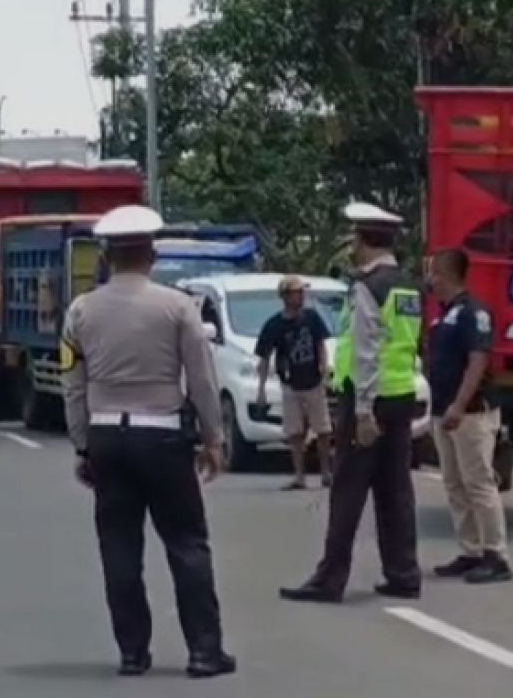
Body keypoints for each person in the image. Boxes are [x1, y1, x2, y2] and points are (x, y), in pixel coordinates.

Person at [61, 205, 237, 679]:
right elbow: (201, 379)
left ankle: (133, 653)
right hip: (161, 436)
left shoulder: (79, 311)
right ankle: (204, 651)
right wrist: (213, 439)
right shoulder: (177, 306)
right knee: (186, 544)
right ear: (151, 254)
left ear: (108, 256)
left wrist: (81, 443)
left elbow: (72, 382)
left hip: (105, 436)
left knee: (119, 547)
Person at [279, 201, 423, 603]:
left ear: (362, 242)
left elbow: (365, 350)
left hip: (369, 399)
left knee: (348, 490)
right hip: (401, 394)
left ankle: (330, 578)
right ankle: (403, 572)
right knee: (396, 489)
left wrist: (361, 410)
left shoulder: (367, 287)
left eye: (354, 239)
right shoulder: (406, 284)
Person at [425, 248, 513, 584]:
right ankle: (470, 550)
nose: (429, 279)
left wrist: (460, 404)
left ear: (445, 274)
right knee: (454, 483)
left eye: (433, 272)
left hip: (470, 413)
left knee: (478, 484)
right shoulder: (445, 313)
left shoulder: (474, 313)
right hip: (444, 410)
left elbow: (478, 360)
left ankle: (496, 554)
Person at [255, 275, 333, 490]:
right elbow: (264, 357)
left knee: (323, 429)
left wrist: (324, 369)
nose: (300, 296)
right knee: (294, 432)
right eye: (296, 292)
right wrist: (261, 389)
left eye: (301, 292)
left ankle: (326, 472)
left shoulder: (312, 318)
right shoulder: (274, 325)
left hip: (314, 381)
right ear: (285, 296)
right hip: (290, 383)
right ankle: (299, 475)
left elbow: (320, 345)